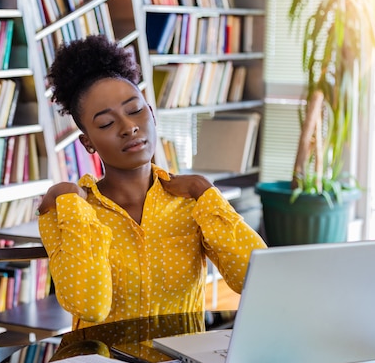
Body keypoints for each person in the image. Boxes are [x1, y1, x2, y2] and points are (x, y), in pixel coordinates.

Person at [37, 35, 267, 330]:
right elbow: (90, 306)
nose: (128, 127)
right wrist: (71, 203)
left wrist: (204, 191)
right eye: (106, 123)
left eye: (135, 110)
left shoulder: (192, 201)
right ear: (88, 143)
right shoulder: (68, 214)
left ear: (153, 115)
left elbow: (255, 278)